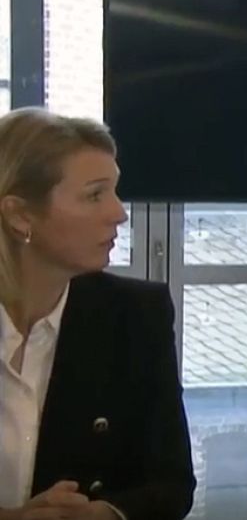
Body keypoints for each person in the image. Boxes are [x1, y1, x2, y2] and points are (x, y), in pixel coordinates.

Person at [0, 108, 195, 520]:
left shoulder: (136, 316)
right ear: (19, 215)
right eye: (94, 194)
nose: (119, 213)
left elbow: (171, 485)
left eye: (114, 191)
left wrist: (102, 514)